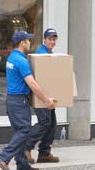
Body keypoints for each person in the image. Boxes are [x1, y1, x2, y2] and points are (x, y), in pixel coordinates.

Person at [0, 30, 56, 170]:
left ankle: (22, 166)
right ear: (22, 42)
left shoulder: (12, 57)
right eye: (28, 40)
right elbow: (32, 84)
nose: (29, 42)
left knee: (19, 132)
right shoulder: (21, 60)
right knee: (25, 130)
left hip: (12, 100)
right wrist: (46, 100)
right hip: (20, 101)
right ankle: (3, 157)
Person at [24, 28, 60, 163]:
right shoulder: (41, 54)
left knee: (51, 124)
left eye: (54, 39)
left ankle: (44, 153)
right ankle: (25, 147)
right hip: (41, 96)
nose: (52, 41)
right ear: (44, 40)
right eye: (50, 39)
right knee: (44, 122)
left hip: (49, 96)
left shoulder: (50, 54)